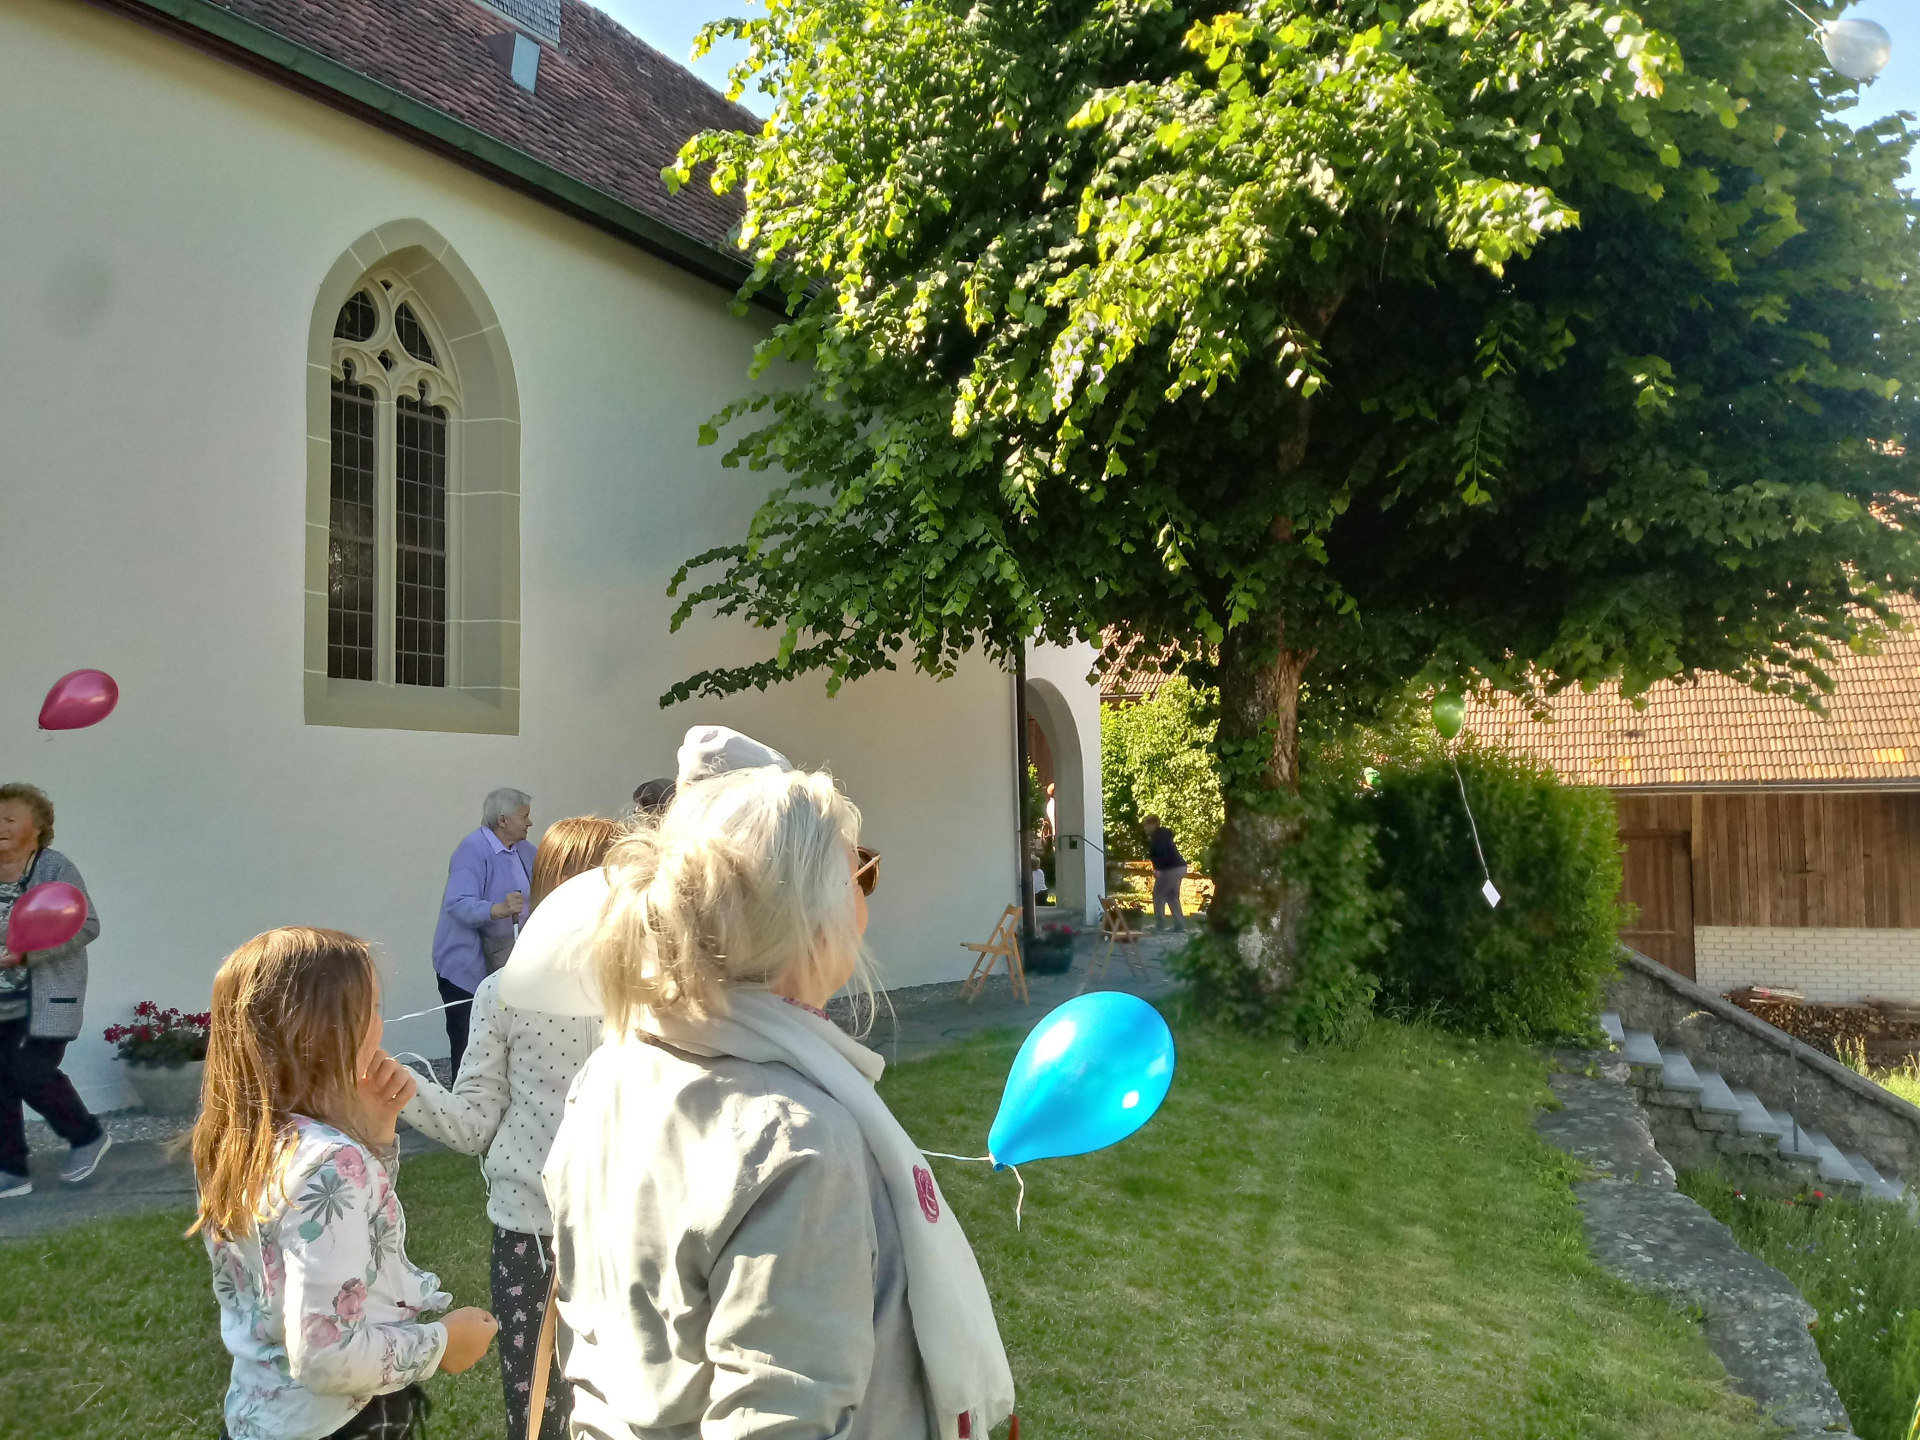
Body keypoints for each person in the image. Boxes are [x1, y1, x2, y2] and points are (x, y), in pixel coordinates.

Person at [512, 746, 1014, 1440]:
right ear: (814, 920)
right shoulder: (794, 1139)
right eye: (859, 874)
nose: (866, 901)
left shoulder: (611, 1070)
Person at [190, 926, 498, 1440]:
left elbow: (338, 1236)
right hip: (340, 1422)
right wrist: (443, 1343)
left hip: (264, 1417)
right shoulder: (329, 1161)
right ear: (323, 1031)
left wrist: (374, 1138)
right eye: (371, 1008)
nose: (381, 1025)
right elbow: (326, 1357)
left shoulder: (241, 1139)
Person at [400, 815, 618, 1440]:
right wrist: (402, 1087)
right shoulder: (505, 993)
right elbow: (474, 1123)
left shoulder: (654, 991)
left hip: (619, 1230)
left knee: (616, 1405)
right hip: (539, 1236)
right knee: (546, 1409)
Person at [0, 782, 108, 1198]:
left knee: (30, 1071)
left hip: (46, 998)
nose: (1, 826)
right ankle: (11, 1171)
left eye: (10, 819)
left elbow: (87, 925)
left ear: (38, 827)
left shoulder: (54, 868)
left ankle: (87, 1136)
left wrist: (28, 956)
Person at [431, 788, 535, 1076]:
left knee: (505, 1042)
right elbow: (457, 903)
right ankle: (463, 1099)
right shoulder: (472, 850)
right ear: (502, 820)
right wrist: (498, 909)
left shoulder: (526, 850)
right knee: (469, 1044)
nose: (530, 822)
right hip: (466, 967)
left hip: (507, 965)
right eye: (524, 816)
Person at [1143, 813, 1187, 933]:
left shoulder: (1159, 837)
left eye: (1147, 825)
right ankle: (1179, 925)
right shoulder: (1163, 835)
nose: (1145, 828)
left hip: (1170, 868)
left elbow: (1162, 853)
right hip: (1179, 867)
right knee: (1172, 896)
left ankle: (1159, 925)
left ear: (1153, 824)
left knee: (1158, 894)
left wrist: (1158, 869)